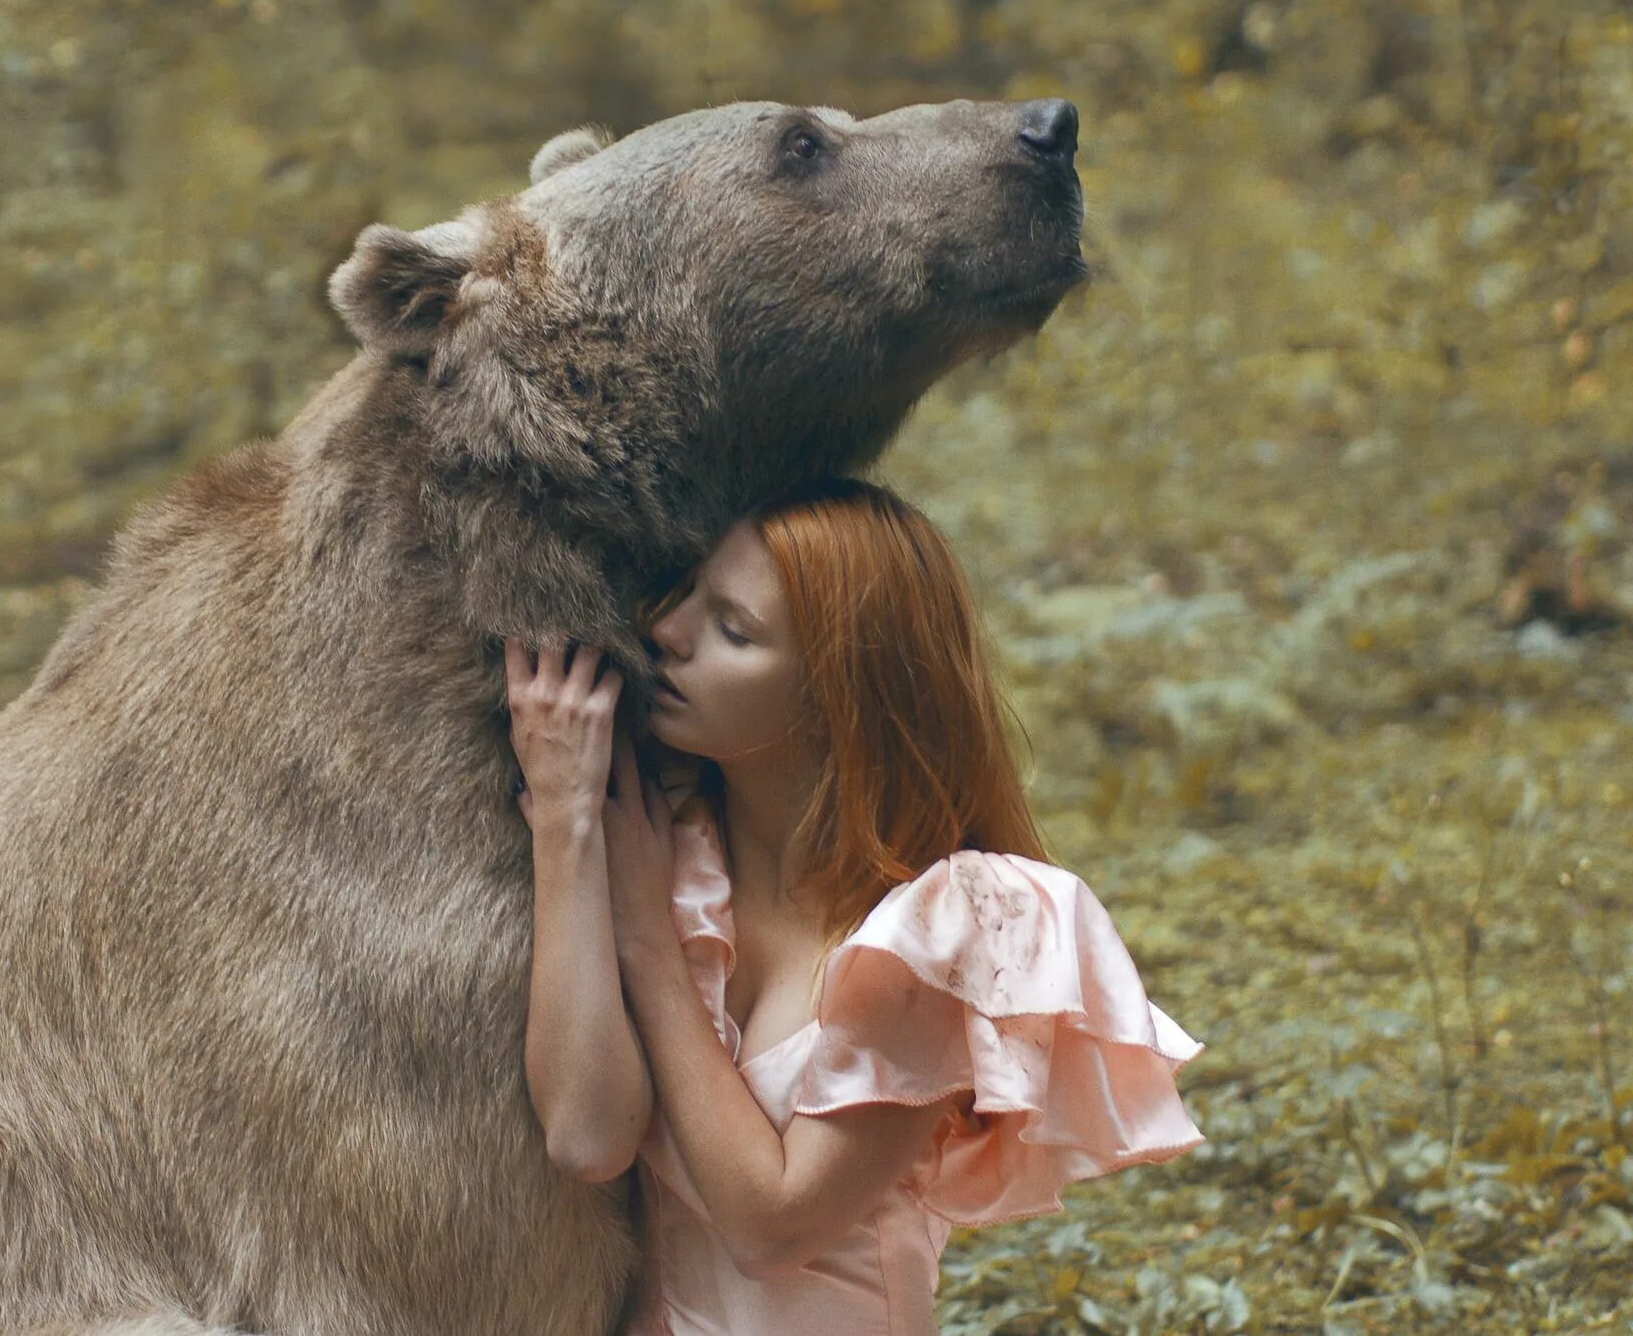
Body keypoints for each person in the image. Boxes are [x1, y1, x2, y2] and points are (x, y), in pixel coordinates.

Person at [503, 477, 1204, 1335]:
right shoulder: (673, 862)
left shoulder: (937, 929)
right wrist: (567, 820)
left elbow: (772, 1224)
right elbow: (585, 1136)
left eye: (734, 629)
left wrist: (648, 948)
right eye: (687, 594)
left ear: (837, 692)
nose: (667, 634)